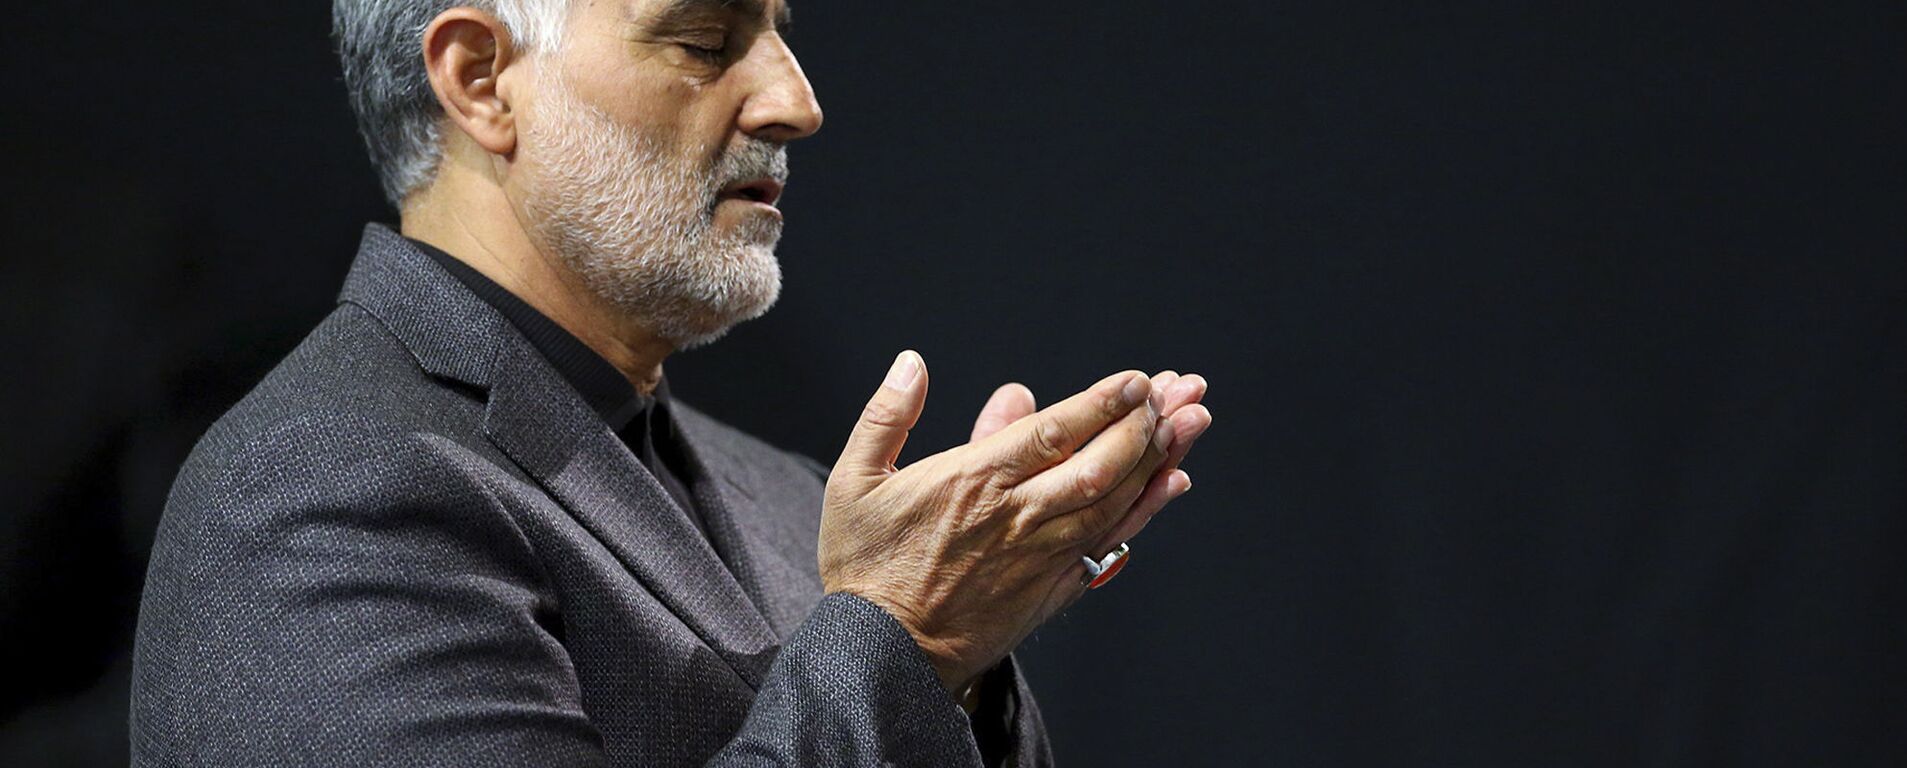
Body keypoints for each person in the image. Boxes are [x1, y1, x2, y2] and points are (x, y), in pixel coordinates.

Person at [129, 0, 1215, 765]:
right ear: (477, 79)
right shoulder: (315, 494)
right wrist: (907, 640)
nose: (796, 102)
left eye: (782, 34)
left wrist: (965, 662)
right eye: (705, 37)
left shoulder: (795, 499)